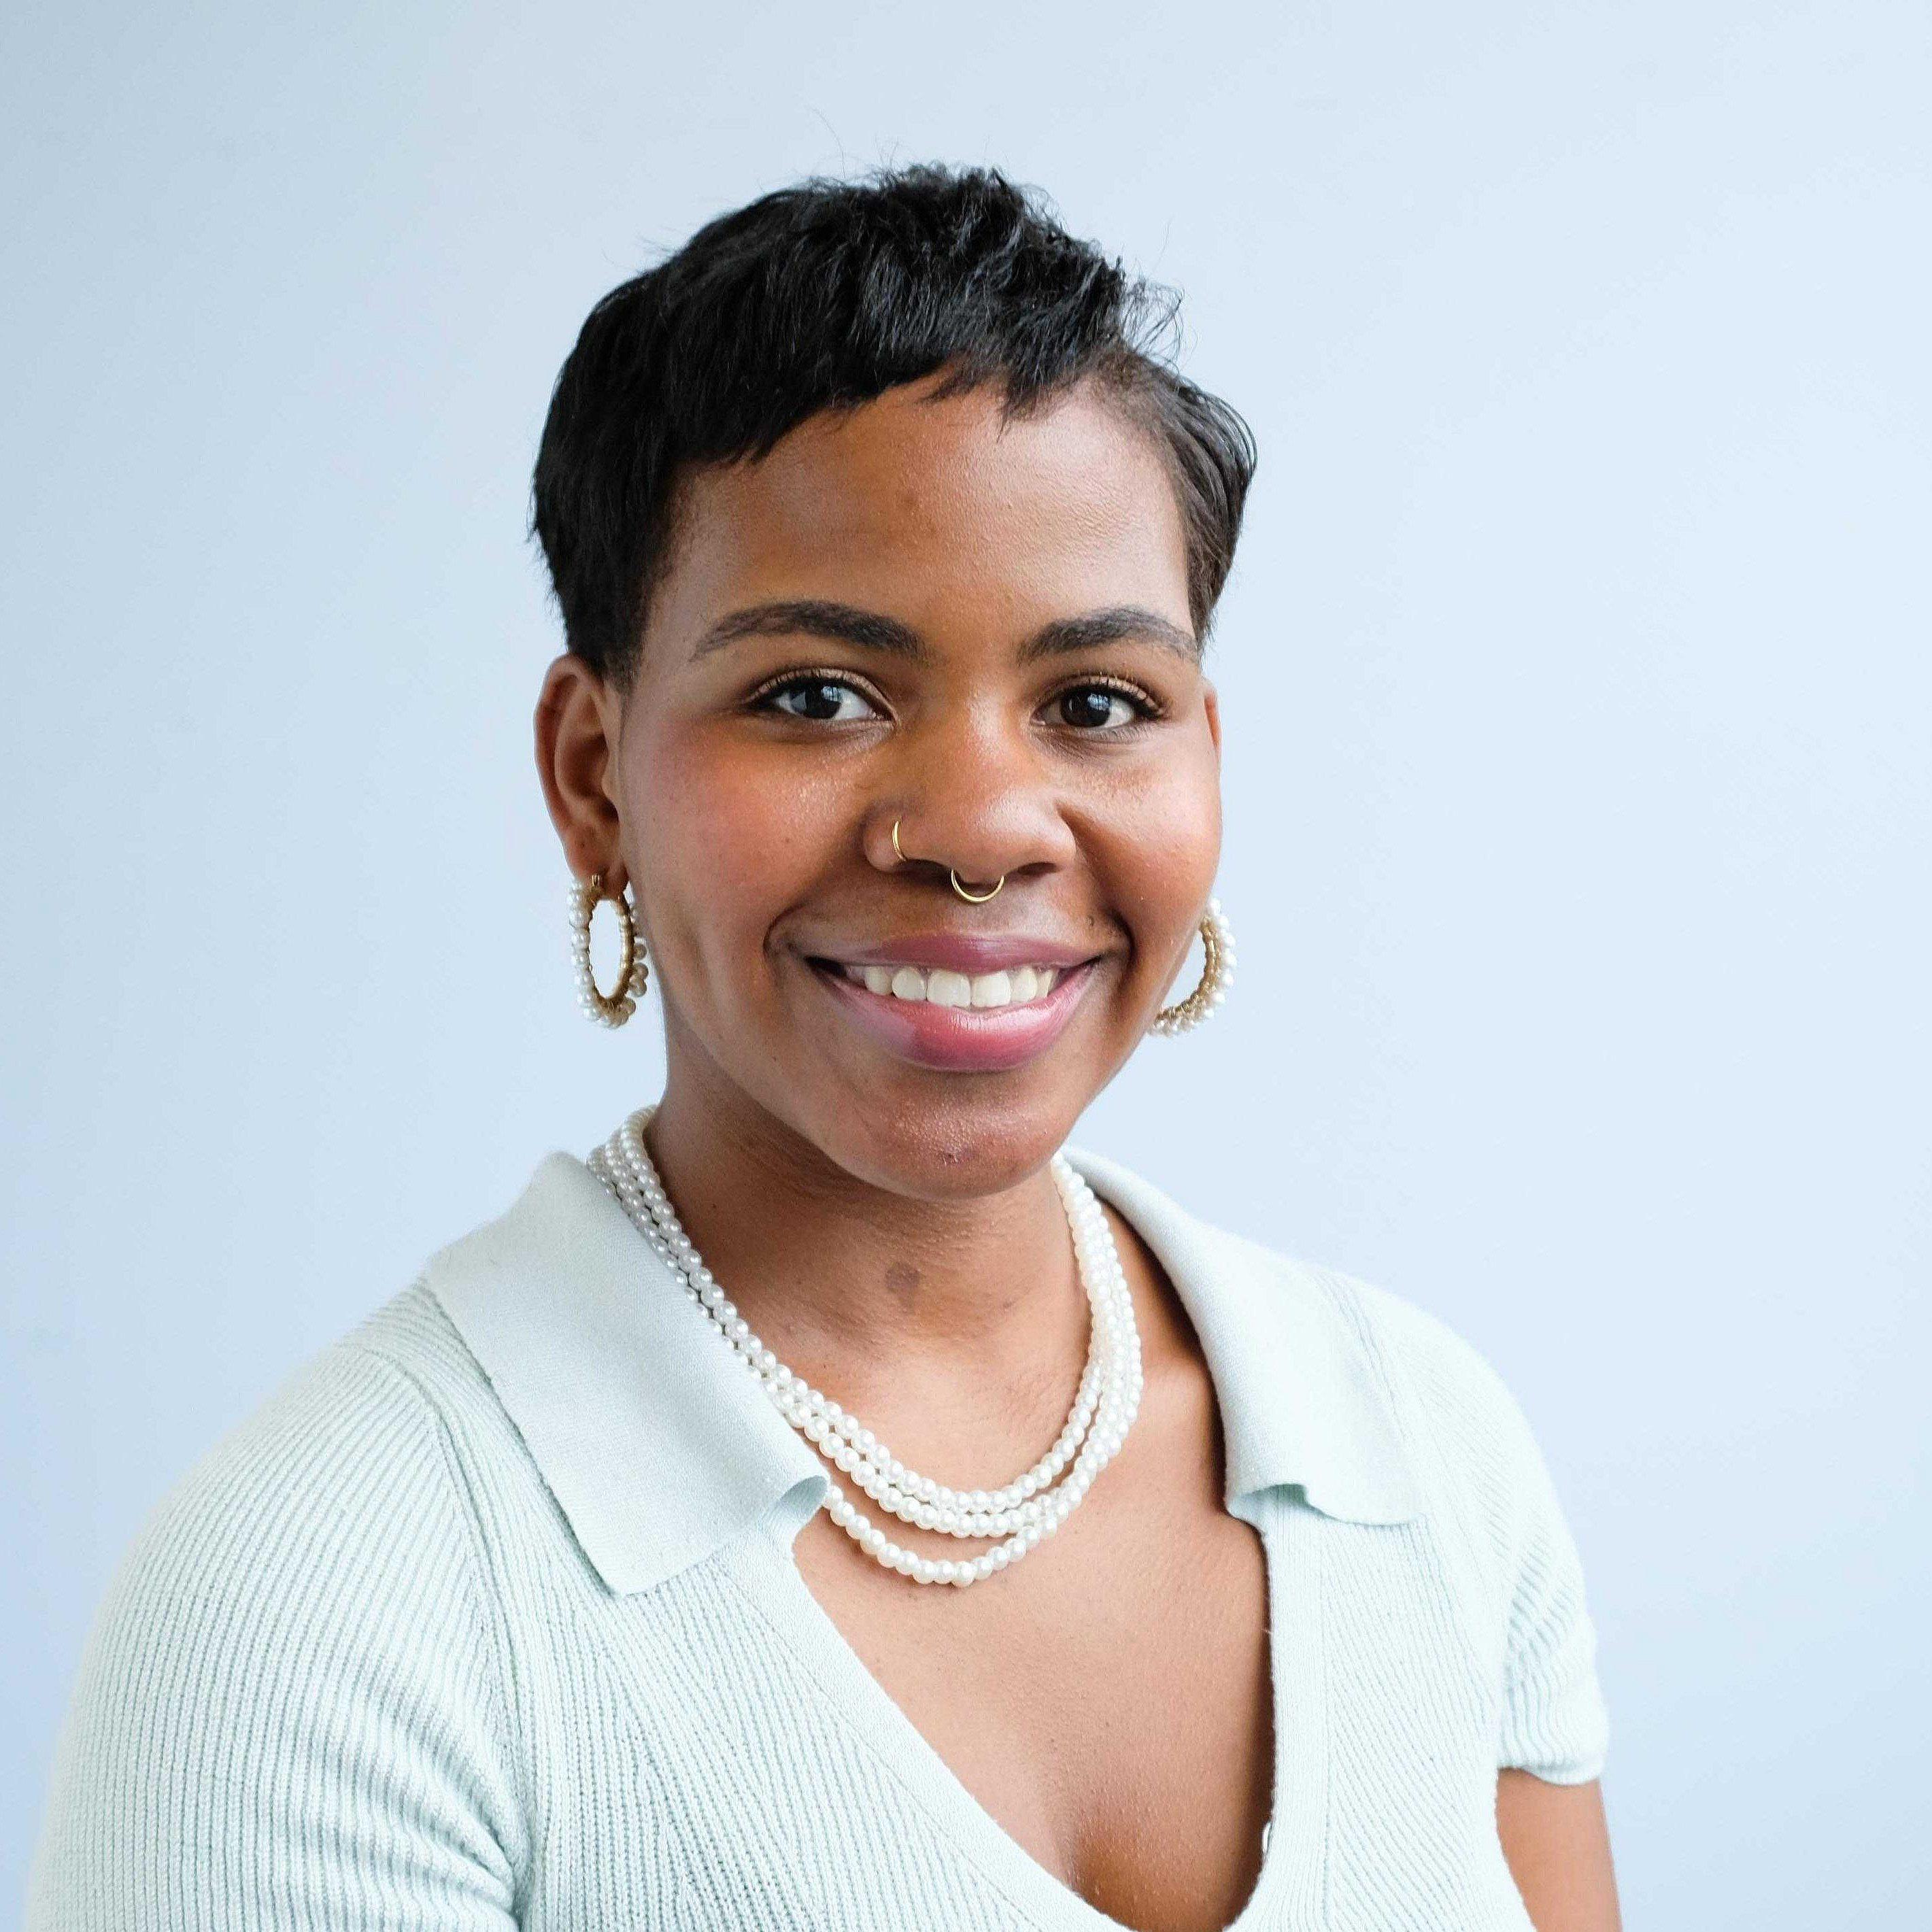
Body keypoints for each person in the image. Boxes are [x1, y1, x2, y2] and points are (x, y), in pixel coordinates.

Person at [26, 163, 1619, 1931]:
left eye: (1097, 703)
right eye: (813, 695)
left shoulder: (1421, 1442)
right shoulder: (326, 1599)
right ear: (591, 774)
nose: (983, 825)